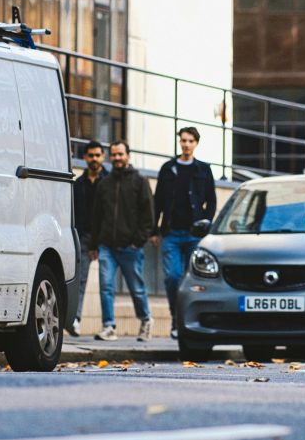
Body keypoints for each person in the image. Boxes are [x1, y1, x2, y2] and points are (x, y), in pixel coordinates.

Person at [86, 140, 155, 341]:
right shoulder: (104, 184)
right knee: (106, 287)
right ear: (110, 157)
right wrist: (94, 244)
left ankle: (146, 320)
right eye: (114, 154)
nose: (117, 158)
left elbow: (148, 215)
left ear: (127, 156)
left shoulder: (139, 181)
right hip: (107, 246)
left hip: (130, 247)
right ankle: (108, 326)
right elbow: (96, 216)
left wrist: (138, 241)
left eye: (120, 154)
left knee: (136, 288)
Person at [154, 126, 217, 338]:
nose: (186, 144)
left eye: (190, 141)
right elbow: (158, 201)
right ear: (179, 142)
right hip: (171, 232)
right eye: (183, 140)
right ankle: (175, 320)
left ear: (196, 143)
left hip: (194, 235)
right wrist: (154, 229)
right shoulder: (167, 168)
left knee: (193, 280)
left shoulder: (203, 169)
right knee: (172, 277)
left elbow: (212, 200)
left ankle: (188, 322)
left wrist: (206, 224)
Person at [67, 140, 108, 337]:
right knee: (80, 280)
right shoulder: (78, 184)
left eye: (97, 155)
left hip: (107, 237)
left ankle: (110, 325)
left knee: (107, 283)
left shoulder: (109, 182)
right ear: (85, 158)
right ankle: (75, 320)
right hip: (83, 236)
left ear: (103, 157)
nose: (94, 159)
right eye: (90, 155)